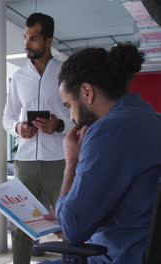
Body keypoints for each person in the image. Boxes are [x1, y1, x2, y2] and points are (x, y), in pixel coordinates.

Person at [41, 42, 161, 264]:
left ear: (87, 92)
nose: (73, 118)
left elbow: (72, 230)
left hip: (119, 256)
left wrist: (72, 162)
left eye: (69, 105)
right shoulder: (153, 119)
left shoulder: (106, 133)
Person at [2, 13, 72, 264]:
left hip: (59, 162)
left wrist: (59, 124)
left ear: (49, 40)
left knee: (68, 225)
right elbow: (7, 117)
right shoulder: (19, 77)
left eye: (33, 38)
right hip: (26, 162)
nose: (26, 44)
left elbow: (81, 116)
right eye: (25, 38)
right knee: (21, 227)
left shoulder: (66, 72)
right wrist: (18, 128)